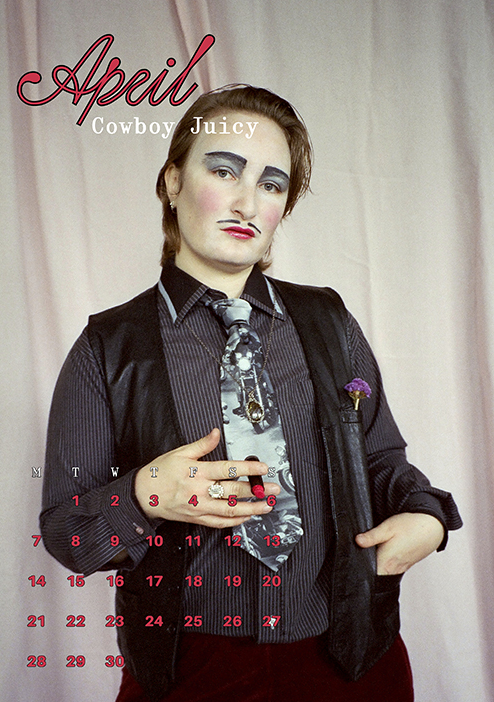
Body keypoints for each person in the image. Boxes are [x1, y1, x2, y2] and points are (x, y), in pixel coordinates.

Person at [41, 84, 462, 702]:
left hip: (351, 659)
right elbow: (66, 533)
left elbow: (380, 459)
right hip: (192, 671)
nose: (246, 202)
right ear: (172, 182)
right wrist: (144, 494)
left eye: (271, 184)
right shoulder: (107, 348)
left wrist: (426, 515)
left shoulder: (331, 324)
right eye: (223, 171)